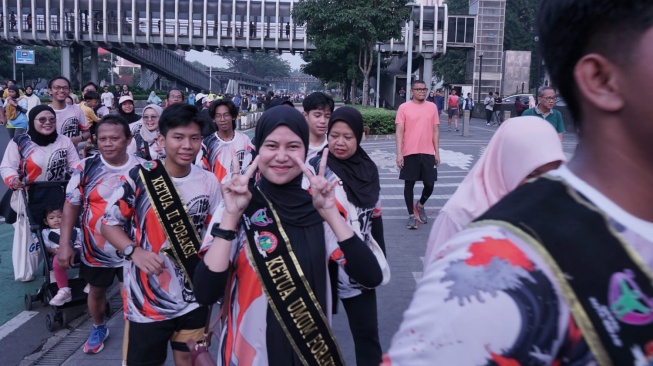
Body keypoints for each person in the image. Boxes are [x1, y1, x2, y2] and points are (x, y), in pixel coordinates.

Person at [383, 0, 653, 364]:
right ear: (601, 80)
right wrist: (403, 151)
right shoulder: (486, 274)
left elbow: (434, 128)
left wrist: (436, 149)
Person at [193, 106, 383, 365]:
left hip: (310, 353)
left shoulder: (319, 208)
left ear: (305, 151)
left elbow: (370, 276)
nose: (281, 156)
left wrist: (330, 212)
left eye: (293, 146)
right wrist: (230, 216)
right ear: (258, 150)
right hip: (248, 356)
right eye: (271, 145)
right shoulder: (236, 207)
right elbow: (204, 292)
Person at [100, 104, 220, 366]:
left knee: (190, 360)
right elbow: (108, 224)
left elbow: (213, 238)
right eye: (178, 137)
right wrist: (135, 251)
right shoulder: (141, 177)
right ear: (162, 140)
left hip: (193, 297)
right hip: (147, 303)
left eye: (195, 138)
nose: (187, 145)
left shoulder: (209, 182)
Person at [423, 117, 567, 267]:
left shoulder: (556, 210)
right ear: (505, 164)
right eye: (531, 174)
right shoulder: (460, 216)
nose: (541, 184)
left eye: (552, 174)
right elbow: (437, 281)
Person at [57, 114, 144, 354]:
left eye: (114, 138)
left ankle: (136, 332)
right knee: (96, 291)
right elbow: (71, 206)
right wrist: (65, 244)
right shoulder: (85, 168)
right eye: (102, 138)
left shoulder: (144, 168)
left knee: (133, 292)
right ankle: (98, 327)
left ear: (127, 140)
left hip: (134, 248)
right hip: (96, 249)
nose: (107, 143)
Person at [309, 106, 387, 366]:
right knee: (315, 337)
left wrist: (379, 257)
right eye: (334, 135)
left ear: (359, 137)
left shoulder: (369, 170)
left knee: (367, 336)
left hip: (358, 263)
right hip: (321, 266)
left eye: (348, 136)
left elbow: (375, 218)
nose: (340, 142)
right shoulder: (316, 169)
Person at [0, 106, 81, 280]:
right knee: (36, 234)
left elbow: (76, 165)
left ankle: (56, 272)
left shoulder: (64, 141)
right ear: (32, 121)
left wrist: (77, 176)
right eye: (42, 120)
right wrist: (14, 179)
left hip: (58, 192)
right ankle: (37, 270)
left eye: (52, 119)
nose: (48, 123)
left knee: (57, 230)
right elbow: (7, 166)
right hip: (31, 194)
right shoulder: (20, 142)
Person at [395, 80, 440, 230]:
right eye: (418, 89)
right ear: (411, 91)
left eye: (424, 89)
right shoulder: (403, 108)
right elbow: (399, 131)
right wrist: (399, 153)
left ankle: (420, 205)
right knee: (409, 184)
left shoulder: (432, 107)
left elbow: (435, 131)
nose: (422, 91)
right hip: (409, 152)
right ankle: (411, 216)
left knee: (430, 183)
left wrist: (437, 152)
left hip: (427, 152)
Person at [198, 99, 254, 184]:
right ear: (213, 119)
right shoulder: (207, 143)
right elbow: (201, 172)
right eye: (218, 116)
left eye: (226, 115)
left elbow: (250, 168)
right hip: (215, 194)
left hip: (239, 191)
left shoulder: (244, 140)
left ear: (233, 117)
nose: (222, 119)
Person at [41, 205, 83, 306]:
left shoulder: (74, 228)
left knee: (91, 256)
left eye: (60, 217)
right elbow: (46, 247)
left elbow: (82, 241)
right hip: (59, 253)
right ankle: (64, 290)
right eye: (52, 218)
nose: (56, 220)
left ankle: (92, 281)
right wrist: (53, 250)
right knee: (56, 262)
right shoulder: (46, 232)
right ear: (46, 222)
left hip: (77, 250)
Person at [48, 76, 90, 147]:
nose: (61, 90)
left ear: (69, 91)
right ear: (49, 90)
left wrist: (79, 138)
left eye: (65, 88)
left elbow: (87, 132)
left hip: (71, 155)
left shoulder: (76, 110)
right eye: (57, 87)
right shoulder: (43, 111)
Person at [302, 92, 334, 161]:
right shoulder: (298, 145)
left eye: (327, 116)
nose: (323, 121)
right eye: (317, 115)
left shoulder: (334, 145)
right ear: (305, 116)